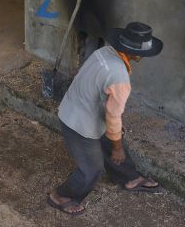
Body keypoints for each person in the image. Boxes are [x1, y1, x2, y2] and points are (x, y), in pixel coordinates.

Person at [47, 22, 164, 216]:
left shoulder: (104, 52)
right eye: (143, 53)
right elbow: (114, 116)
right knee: (92, 169)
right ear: (136, 54)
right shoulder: (120, 78)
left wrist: (115, 137)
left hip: (77, 105)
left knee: (113, 137)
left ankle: (129, 177)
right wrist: (117, 146)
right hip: (77, 122)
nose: (143, 56)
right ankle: (60, 196)